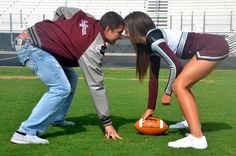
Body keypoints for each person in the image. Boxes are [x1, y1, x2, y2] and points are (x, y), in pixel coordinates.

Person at [11, 6, 124, 144]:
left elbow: (61, 10)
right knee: (61, 88)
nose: (120, 36)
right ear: (107, 30)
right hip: (31, 46)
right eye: (119, 32)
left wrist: (56, 32)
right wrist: (107, 123)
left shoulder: (87, 18)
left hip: (31, 41)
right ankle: (24, 132)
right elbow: (96, 85)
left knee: (71, 78)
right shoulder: (93, 47)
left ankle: (57, 119)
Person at [124, 11, 229, 149]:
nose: (125, 34)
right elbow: (153, 77)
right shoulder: (150, 43)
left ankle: (197, 138)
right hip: (214, 46)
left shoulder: (153, 39)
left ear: (135, 29)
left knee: (179, 86)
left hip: (214, 46)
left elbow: (176, 65)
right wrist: (150, 108)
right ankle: (189, 121)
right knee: (183, 85)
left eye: (127, 30)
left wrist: (167, 92)